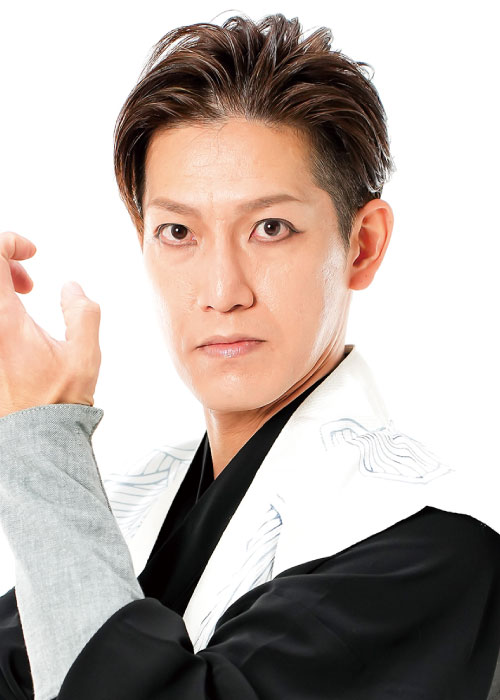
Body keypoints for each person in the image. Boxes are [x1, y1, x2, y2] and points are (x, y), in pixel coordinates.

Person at [0, 12, 499, 700]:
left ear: (363, 245)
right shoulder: (132, 504)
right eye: (178, 232)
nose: (221, 291)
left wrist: (41, 437)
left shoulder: (431, 545)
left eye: (270, 227)